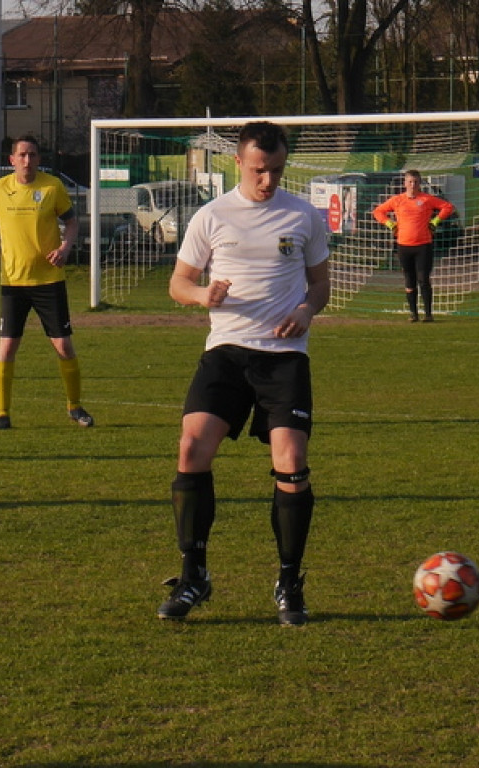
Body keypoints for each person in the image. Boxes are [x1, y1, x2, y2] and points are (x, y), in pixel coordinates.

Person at [158, 121, 331, 626]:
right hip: (226, 353)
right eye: (260, 170)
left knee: (292, 460)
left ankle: (289, 580)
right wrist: (200, 295)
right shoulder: (211, 217)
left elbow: (320, 284)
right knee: (191, 448)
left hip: (284, 357)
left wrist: (305, 311)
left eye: (277, 170)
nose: (269, 180)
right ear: (239, 162)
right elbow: (179, 282)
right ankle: (194, 576)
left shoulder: (302, 216)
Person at [0, 135, 94, 431]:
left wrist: (65, 248)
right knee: (6, 349)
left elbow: (71, 222)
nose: (27, 160)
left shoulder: (51, 187)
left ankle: (75, 406)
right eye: (22, 155)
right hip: (13, 283)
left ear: (38, 159)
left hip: (49, 281)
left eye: (32, 155)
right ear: (12, 160)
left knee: (64, 347)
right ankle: (1, 413)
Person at [372, 169, 455, 322]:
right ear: (405, 183)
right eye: (410, 181)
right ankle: (413, 314)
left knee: (423, 278)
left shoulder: (427, 199)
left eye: (416, 182)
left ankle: (428, 314)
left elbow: (448, 207)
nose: (413, 185)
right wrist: (390, 223)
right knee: (409, 279)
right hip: (403, 245)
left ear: (420, 183)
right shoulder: (397, 200)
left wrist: (435, 221)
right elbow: (378, 211)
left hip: (423, 245)